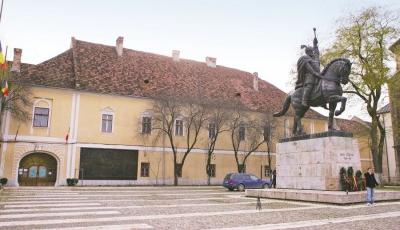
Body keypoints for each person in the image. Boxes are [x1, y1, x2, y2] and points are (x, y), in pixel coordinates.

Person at [295, 28, 322, 107]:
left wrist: (315, 44)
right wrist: (315, 73)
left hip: (319, 75)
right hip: (310, 76)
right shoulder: (305, 58)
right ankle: (304, 100)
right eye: (310, 51)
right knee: (309, 86)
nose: (312, 52)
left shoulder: (315, 57)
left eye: (312, 51)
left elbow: (316, 51)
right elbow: (308, 68)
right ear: (307, 52)